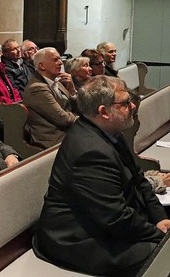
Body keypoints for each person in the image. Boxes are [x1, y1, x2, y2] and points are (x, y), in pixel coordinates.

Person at [33, 75, 170, 276]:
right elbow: (115, 217)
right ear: (104, 112)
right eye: (125, 103)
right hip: (79, 239)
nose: (133, 106)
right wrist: (159, 235)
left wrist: (160, 217)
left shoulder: (111, 132)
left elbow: (139, 180)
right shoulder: (89, 152)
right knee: (164, 255)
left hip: (107, 224)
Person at [23, 47, 77, 149]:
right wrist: (81, 117)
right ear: (42, 66)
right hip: (53, 140)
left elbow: (79, 108)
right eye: (55, 60)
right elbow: (63, 119)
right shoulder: (37, 88)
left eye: (60, 59)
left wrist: (72, 91)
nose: (61, 63)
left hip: (68, 132)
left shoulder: (57, 81)